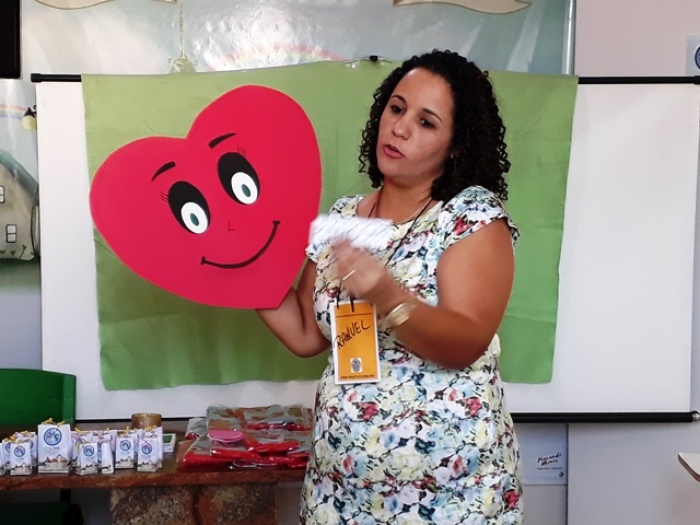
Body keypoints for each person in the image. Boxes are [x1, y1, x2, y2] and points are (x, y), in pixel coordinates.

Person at [257, 49, 523, 524]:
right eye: (396, 108)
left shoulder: (471, 216)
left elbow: (465, 342)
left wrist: (387, 295)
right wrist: (241, 273)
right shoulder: (343, 216)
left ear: (456, 145)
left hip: (449, 498)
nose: (399, 128)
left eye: (426, 122)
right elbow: (307, 334)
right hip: (339, 494)